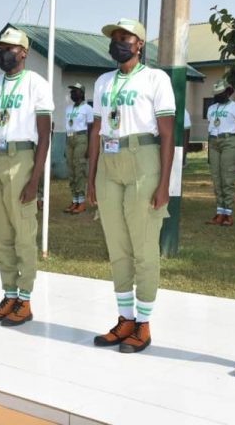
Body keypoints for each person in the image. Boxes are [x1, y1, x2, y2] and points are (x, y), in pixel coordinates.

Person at [88, 18, 175, 353]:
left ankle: (143, 323)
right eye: (114, 38)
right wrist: (92, 175)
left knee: (143, 247)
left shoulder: (156, 79)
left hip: (143, 160)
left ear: (139, 43)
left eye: (125, 37)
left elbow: (167, 134)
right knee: (118, 246)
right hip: (109, 164)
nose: (118, 43)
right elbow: (96, 131)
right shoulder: (103, 82)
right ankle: (124, 318)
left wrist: (165, 183)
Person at [0, 27, 54, 327]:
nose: (3, 53)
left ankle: (25, 298)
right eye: (0, 48)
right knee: (0, 232)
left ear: (23, 52)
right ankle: (8, 293)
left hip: (22, 157)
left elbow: (46, 135)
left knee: (23, 231)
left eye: (9, 48)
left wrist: (34, 180)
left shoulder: (37, 84)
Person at [205, 81, 235, 226]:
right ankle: (219, 213)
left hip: (229, 142)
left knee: (227, 179)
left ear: (228, 92)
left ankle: (228, 214)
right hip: (214, 142)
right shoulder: (211, 108)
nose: (217, 97)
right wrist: (209, 152)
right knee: (216, 179)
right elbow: (209, 130)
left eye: (220, 94)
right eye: (215, 95)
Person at [64, 83, 94, 214]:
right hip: (69, 138)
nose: (72, 94)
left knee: (79, 169)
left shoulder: (88, 108)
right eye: (71, 92)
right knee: (71, 170)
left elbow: (91, 128)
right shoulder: (68, 109)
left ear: (81, 93)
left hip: (81, 139)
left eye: (75, 91)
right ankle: (74, 200)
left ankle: (81, 202)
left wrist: (89, 147)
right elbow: (67, 127)